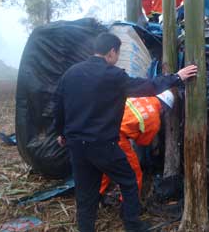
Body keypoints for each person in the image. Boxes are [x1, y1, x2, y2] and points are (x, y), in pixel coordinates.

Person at [53, 32, 197, 232]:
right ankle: (132, 225)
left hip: (76, 145)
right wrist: (176, 78)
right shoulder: (113, 75)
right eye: (118, 53)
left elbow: (58, 104)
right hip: (103, 144)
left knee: (85, 194)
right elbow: (146, 86)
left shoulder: (71, 73)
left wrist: (60, 132)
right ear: (112, 51)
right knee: (129, 181)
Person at [99, 90, 174, 197]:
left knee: (105, 167)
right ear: (164, 108)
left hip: (101, 127)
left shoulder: (138, 96)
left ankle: (94, 198)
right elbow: (143, 142)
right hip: (117, 138)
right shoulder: (154, 120)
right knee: (133, 174)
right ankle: (128, 206)